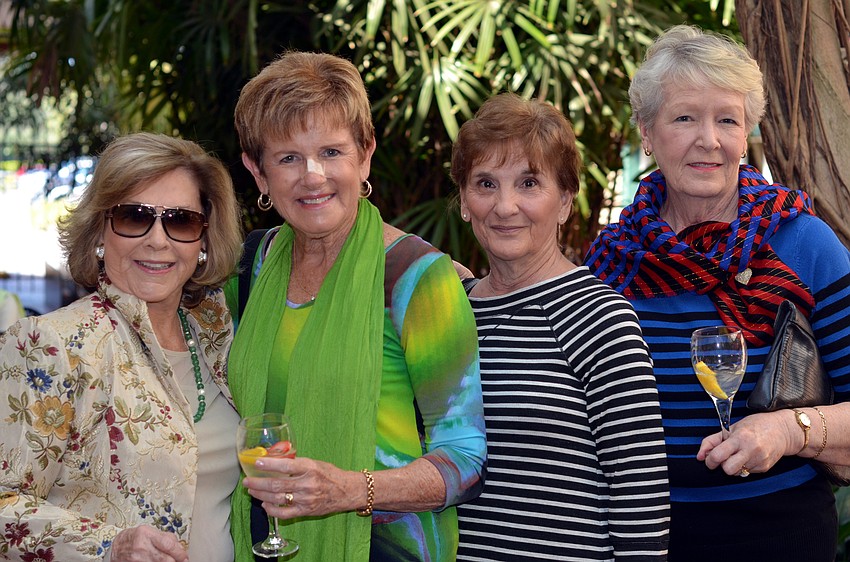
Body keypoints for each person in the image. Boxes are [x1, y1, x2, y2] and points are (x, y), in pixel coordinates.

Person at [585, 25, 850, 561]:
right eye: (684, 118)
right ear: (647, 131)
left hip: (781, 535)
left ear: (746, 133)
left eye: (727, 120)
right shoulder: (613, 259)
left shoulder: (803, 243)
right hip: (638, 537)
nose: (708, 139)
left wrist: (789, 429)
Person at [227, 51, 486, 561]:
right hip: (263, 543)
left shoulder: (416, 276)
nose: (313, 176)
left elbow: (466, 460)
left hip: (388, 550)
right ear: (257, 172)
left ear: (364, 156)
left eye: (331, 152)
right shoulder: (253, 266)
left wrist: (349, 490)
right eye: (287, 158)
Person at [0, 132, 244, 562]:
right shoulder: (52, 345)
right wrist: (108, 547)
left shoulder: (215, 333)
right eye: (134, 217)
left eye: (181, 221)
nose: (158, 240)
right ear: (100, 229)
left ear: (204, 240)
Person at [450, 92, 670, 560]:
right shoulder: (447, 312)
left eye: (529, 183)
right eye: (485, 183)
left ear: (566, 200)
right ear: (464, 200)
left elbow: (640, 499)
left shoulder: (600, 317)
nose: (505, 206)